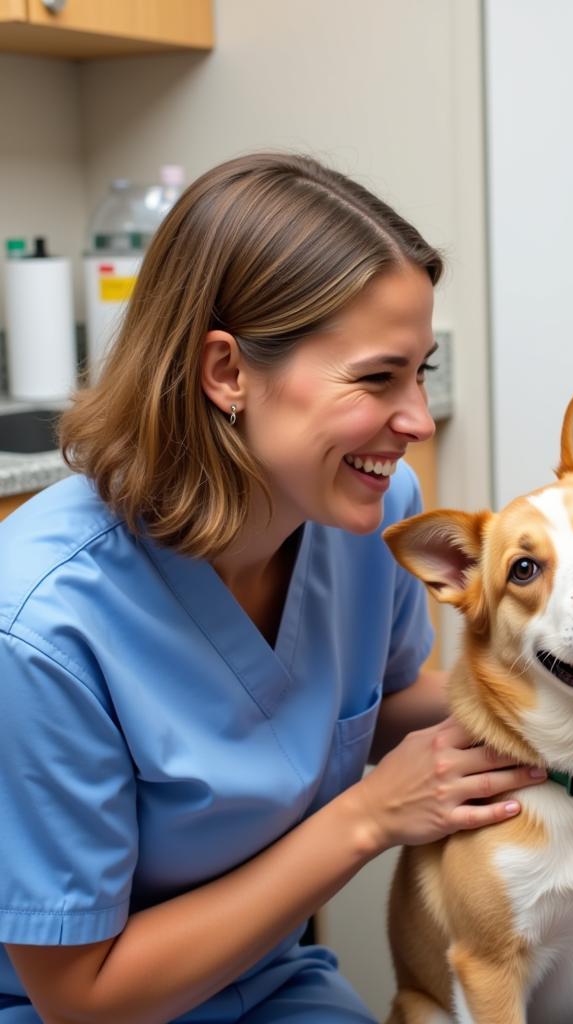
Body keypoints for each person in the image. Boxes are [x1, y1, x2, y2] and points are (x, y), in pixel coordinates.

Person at [0, 152, 545, 1023]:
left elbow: (386, 700)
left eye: (419, 373)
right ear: (227, 372)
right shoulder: (39, 625)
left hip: (269, 982)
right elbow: (81, 996)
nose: (413, 419)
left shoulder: (369, 512)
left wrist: (568, 710)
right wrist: (367, 819)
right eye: (377, 377)